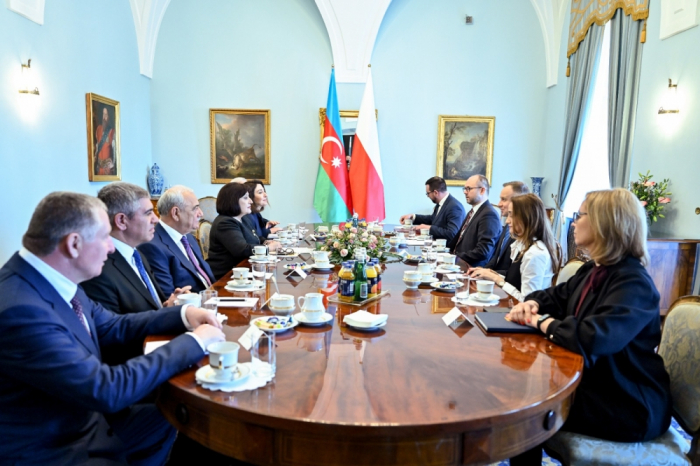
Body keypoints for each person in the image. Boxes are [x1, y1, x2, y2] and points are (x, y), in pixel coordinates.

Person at [0, 191, 225, 465]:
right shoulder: (20, 310)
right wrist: (195, 342)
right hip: (59, 447)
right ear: (73, 244)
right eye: (105, 237)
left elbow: (111, 325)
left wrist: (184, 314)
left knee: (190, 413)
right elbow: (105, 389)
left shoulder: (54, 279)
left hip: (87, 421)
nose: (110, 247)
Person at [507, 188, 672, 465]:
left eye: (580, 215)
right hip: (595, 382)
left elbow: (592, 338)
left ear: (605, 223)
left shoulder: (634, 283)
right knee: (521, 392)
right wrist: (531, 305)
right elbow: (553, 297)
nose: (573, 222)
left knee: (525, 408)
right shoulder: (593, 269)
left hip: (628, 400)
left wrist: (540, 321)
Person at [82, 182, 187, 313]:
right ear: (121, 221)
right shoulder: (99, 270)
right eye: (148, 213)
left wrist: (171, 306)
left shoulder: (137, 254)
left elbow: (154, 307)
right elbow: (116, 329)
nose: (155, 219)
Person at [469, 194, 560, 302]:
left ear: (525, 218)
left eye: (511, 215)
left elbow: (527, 301)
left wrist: (496, 279)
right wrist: (489, 273)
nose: (507, 221)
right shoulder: (523, 245)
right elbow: (515, 280)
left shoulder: (535, 254)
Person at [138, 185, 215, 296]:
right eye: (195, 208)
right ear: (175, 213)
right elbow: (168, 296)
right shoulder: (152, 246)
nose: (201, 213)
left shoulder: (188, 236)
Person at [207, 183, 280, 280]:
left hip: (243, 272)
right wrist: (267, 248)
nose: (250, 201)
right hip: (226, 276)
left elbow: (255, 237)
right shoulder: (225, 223)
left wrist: (265, 241)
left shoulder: (244, 218)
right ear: (233, 201)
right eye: (246, 198)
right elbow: (242, 250)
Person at [448, 174, 501, 267]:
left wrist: (455, 257)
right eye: (464, 188)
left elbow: (483, 251)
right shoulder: (473, 211)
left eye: (468, 188)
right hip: (458, 264)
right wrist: (444, 252)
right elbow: (457, 240)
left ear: (482, 190)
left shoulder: (489, 214)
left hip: (471, 268)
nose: (465, 192)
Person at [399, 176, 466, 243]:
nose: (427, 196)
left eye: (428, 193)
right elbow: (433, 219)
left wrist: (428, 228)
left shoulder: (454, 207)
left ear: (435, 193)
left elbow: (451, 233)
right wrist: (413, 217)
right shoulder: (441, 203)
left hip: (447, 249)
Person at [483, 181, 530, 275]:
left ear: (518, 200)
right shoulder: (508, 225)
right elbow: (496, 257)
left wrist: (491, 274)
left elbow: (516, 274)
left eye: (504, 199)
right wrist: (483, 270)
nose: (499, 204)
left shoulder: (525, 233)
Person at [94, 106, 116, 176]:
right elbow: (97, 147)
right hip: (99, 169)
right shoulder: (98, 129)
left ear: (109, 117)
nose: (104, 117)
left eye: (106, 115)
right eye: (103, 114)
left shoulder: (112, 132)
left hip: (108, 170)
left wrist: (113, 164)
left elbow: (115, 151)